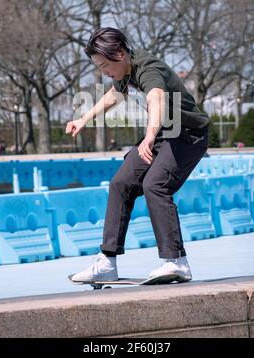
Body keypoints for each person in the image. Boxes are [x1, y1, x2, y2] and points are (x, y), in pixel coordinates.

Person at [66, 27, 209, 283]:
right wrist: (84, 118)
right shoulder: (124, 70)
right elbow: (113, 94)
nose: (104, 71)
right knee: (121, 183)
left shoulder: (147, 69)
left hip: (188, 135)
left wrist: (150, 136)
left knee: (155, 184)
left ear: (120, 53)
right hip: (165, 133)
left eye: (105, 65)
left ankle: (176, 262)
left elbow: (157, 99)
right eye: (99, 66)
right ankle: (107, 261)